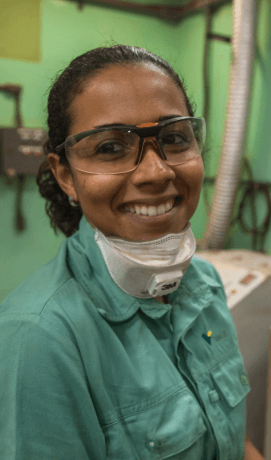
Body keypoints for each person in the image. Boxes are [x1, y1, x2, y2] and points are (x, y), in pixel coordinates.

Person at [0, 45, 251, 460]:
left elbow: (232, 441)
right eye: (110, 148)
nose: (156, 172)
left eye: (173, 139)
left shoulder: (204, 283)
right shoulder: (37, 340)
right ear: (65, 175)